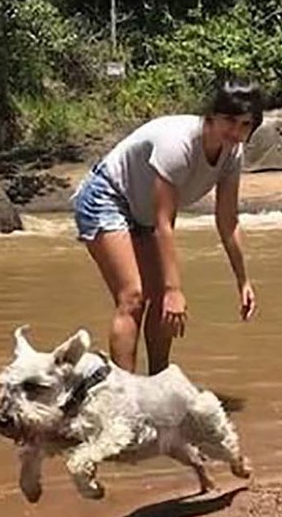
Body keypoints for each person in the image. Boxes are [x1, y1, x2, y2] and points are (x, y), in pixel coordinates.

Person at [72, 78, 263, 374]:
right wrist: (174, 289)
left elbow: (228, 220)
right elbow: (164, 223)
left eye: (245, 124)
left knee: (162, 300)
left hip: (143, 211)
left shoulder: (233, 153)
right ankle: (124, 390)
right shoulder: (179, 144)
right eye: (229, 120)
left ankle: (157, 384)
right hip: (107, 195)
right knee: (133, 297)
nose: (236, 131)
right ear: (212, 115)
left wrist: (243, 281)